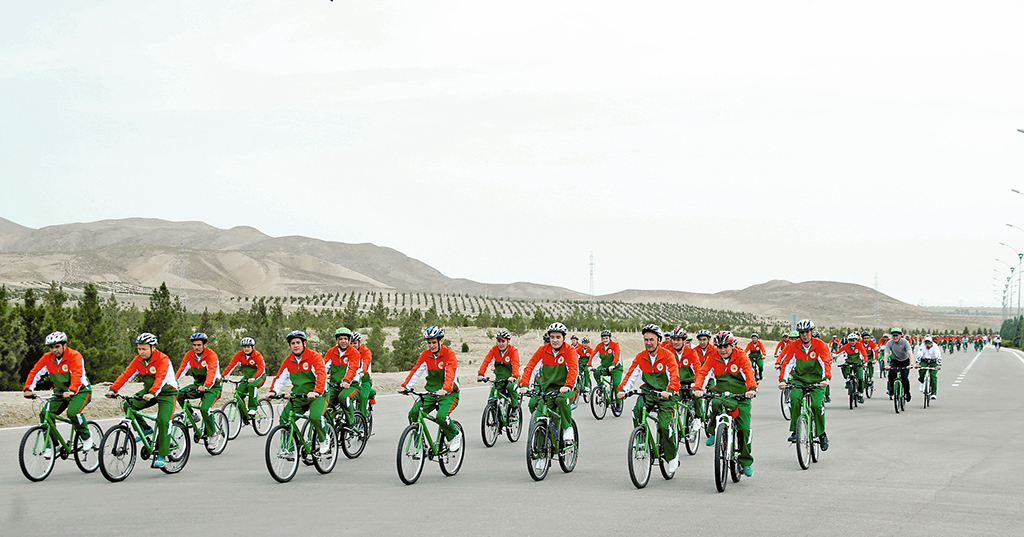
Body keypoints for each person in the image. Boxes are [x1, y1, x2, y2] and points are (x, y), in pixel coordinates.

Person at [107, 333, 179, 468]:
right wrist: (114, 389)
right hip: (149, 391)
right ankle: (145, 429)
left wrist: (153, 393)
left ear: (153, 347)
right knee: (128, 404)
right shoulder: (138, 360)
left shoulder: (163, 359)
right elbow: (127, 374)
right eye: (139, 349)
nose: (141, 352)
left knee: (164, 421)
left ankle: (162, 454)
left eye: (144, 349)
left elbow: (161, 378)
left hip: (166, 393)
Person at [692, 331, 757, 476]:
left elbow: (748, 373)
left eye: (725, 346)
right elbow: (703, 373)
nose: (722, 350)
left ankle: (745, 461)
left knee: (744, 430)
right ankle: (714, 431)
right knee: (714, 402)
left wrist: (751, 389)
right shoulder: (713, 356)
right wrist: (698, 388)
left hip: (741, 397)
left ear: (733, 345)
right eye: (719, 347)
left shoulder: (741, 356)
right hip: (721, 394)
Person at [617, 325, 680, 472]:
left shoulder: (667, 356)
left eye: (652, 339)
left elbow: (674, 376)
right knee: (636, 410)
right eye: (646, 340)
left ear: (659, 340)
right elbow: (630, 375)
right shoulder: (641, 357)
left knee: (664, 426)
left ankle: (671, 456)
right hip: (649, 393)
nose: (649, 343)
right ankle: (641, 438)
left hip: (666, 395)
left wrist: (670, 390)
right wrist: (622, 390)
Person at [23, 331, 94, 451]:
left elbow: (77, 374)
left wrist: (72, 390)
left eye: (57, 346)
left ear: (64, 345)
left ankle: (87, 438)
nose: (54, 350)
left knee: (73, 413)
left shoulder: (74, 356)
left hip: (81, 391)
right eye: (51, 347)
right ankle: (53, 445)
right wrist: (28, 389)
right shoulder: (47, 358)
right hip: (60, 393)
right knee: (45, 414)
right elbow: (35, 372)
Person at [399, 326, 461, 451]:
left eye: (434, 342)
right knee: (413, 414)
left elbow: (450, 373)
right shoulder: (426, 355)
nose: (431, 345)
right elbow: (416, 370)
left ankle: (455, 435)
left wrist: (445, 389)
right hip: (432, 393)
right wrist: (406, 386)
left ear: (441, 341)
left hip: (449, 393)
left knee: (441, 417)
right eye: (429, 343)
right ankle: (419, 443)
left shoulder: (449, 354)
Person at [268, 330, 330, 455]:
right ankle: (289, 449)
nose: (295, 345)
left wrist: (317, 391)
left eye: (298, 342)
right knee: (285, 418)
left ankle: (324, 439)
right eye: (292, 343)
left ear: (304, 343)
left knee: (315, 417)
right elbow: (280, 378)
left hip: (317, 396)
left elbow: (321, 374)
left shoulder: (314, 356)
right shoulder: (289, 361)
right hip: (298, 397)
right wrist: (273, 391)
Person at [519, 322, 579, 444]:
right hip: (548, 389)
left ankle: (567, 428)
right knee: (536, 407)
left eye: (558, 337)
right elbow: (531, 367)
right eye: (552, 337)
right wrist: (525, 385)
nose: (555, 340)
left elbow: (573, 369)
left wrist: (568, 386)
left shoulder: (569, 351)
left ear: (564, 338)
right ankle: (541, 452)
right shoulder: (543, 350)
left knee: (561, 400)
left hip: (567, 388)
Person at [778, 319, 831, 450]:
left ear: (812, 332)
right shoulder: (794, 345)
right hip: (799, 379)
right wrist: (783, 380)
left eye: (807, 332)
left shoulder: (820, 345)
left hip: (816, 381)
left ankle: (822, 433)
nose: (804, 335)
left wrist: (825, 378)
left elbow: (825, 362)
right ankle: (795, 431)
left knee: (816, 406)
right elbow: (788, 363)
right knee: (794, 399)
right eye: (802, 332)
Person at [174, 333, 223, 438]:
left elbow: (212, 372)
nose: (196, 347)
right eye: (194, 345)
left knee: (204, 408)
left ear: (205, 345)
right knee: (179, 394)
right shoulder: (190, 355)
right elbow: (182, 370)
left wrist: (206, 386)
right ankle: (192, 415)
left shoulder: (211, 355)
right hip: (197, 385)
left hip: (213, 386)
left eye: (199, 345)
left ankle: (212, 434)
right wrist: (172, 383)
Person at [323, 327, 362, 425]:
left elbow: (352, 369)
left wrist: (347, 381)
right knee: (323, 402)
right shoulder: (332, 352)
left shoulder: (354, 353)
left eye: (345, 339)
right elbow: (324, 367)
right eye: (340, 339)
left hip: (351, 385)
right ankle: (330, 426)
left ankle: (351, 422)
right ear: (336, 340)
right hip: (334, 386)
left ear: (349, 340)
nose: (343, 341)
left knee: (344, 397)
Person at [221, 337, 266, 418]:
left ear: (252, 347)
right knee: (239, 392)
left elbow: (261, 368)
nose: (246, 349)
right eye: (244, 347)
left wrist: (254, 378)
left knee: (251, 386)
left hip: (259, 376)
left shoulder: (257, 355)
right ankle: (244, 414)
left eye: (248, 347)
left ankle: (253, 408)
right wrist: (223, 376)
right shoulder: (239, 355)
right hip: (246, 377)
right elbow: (231, 365)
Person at [477, 329, 521, 409]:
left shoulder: (513, 351)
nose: (500, 344)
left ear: (508, 341)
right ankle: (494, 418)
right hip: (500, 379)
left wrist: (514, 376)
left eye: (503, 341)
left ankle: (515, 408)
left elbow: (516, 364)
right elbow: (486, 361)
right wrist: (481, 374)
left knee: (510, 387)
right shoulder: (494, 350)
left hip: (512, 378)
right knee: (492, 398)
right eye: (499, 341)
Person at [669, 328, 704, 424]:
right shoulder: (668, 352)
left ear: (684, 341)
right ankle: (672, 425)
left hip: (690, 383)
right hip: (676, 384)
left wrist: (696, 384)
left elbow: (698, 369)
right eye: (674, 340)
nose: (676, 342)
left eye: (678, 340)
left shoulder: (691, 352)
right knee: (671, 401)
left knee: (696, 397)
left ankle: (698, 418)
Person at [833, 332, 867, 404]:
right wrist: (830, 356)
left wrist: (865, 362)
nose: (852, 342)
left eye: (853, 340)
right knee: (843, 367)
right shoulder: (846, 346)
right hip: (849, 362)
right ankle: (847, 379)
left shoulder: (860, 345)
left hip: (858, 363)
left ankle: (860, 394)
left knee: (861, 378)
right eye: (850, 340)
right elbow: (838, 353)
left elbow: (864, 354)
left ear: (856, 340)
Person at [884, 327, 913, 402]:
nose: (895, 337)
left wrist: (911, 364)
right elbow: (886, 354)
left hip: (905, 361)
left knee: (904, 378)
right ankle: (891, 390)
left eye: (897, 336)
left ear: (900, 336)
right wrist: (886, 365)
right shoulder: (890, 343)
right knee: (891, 376)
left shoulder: (905, 342)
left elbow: (910, 353)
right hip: (895, 361)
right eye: (894, 336)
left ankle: (907, 392)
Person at [351, 332, 377, 417]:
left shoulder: (366, 351)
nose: (352, 345)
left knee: (362, 397)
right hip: (352, 379)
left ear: (359, 343)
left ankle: (363, 422)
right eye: (351, 343)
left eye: (354, 343)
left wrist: (362, 372)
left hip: (364, 379)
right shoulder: (348, 352)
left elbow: (365, 363)